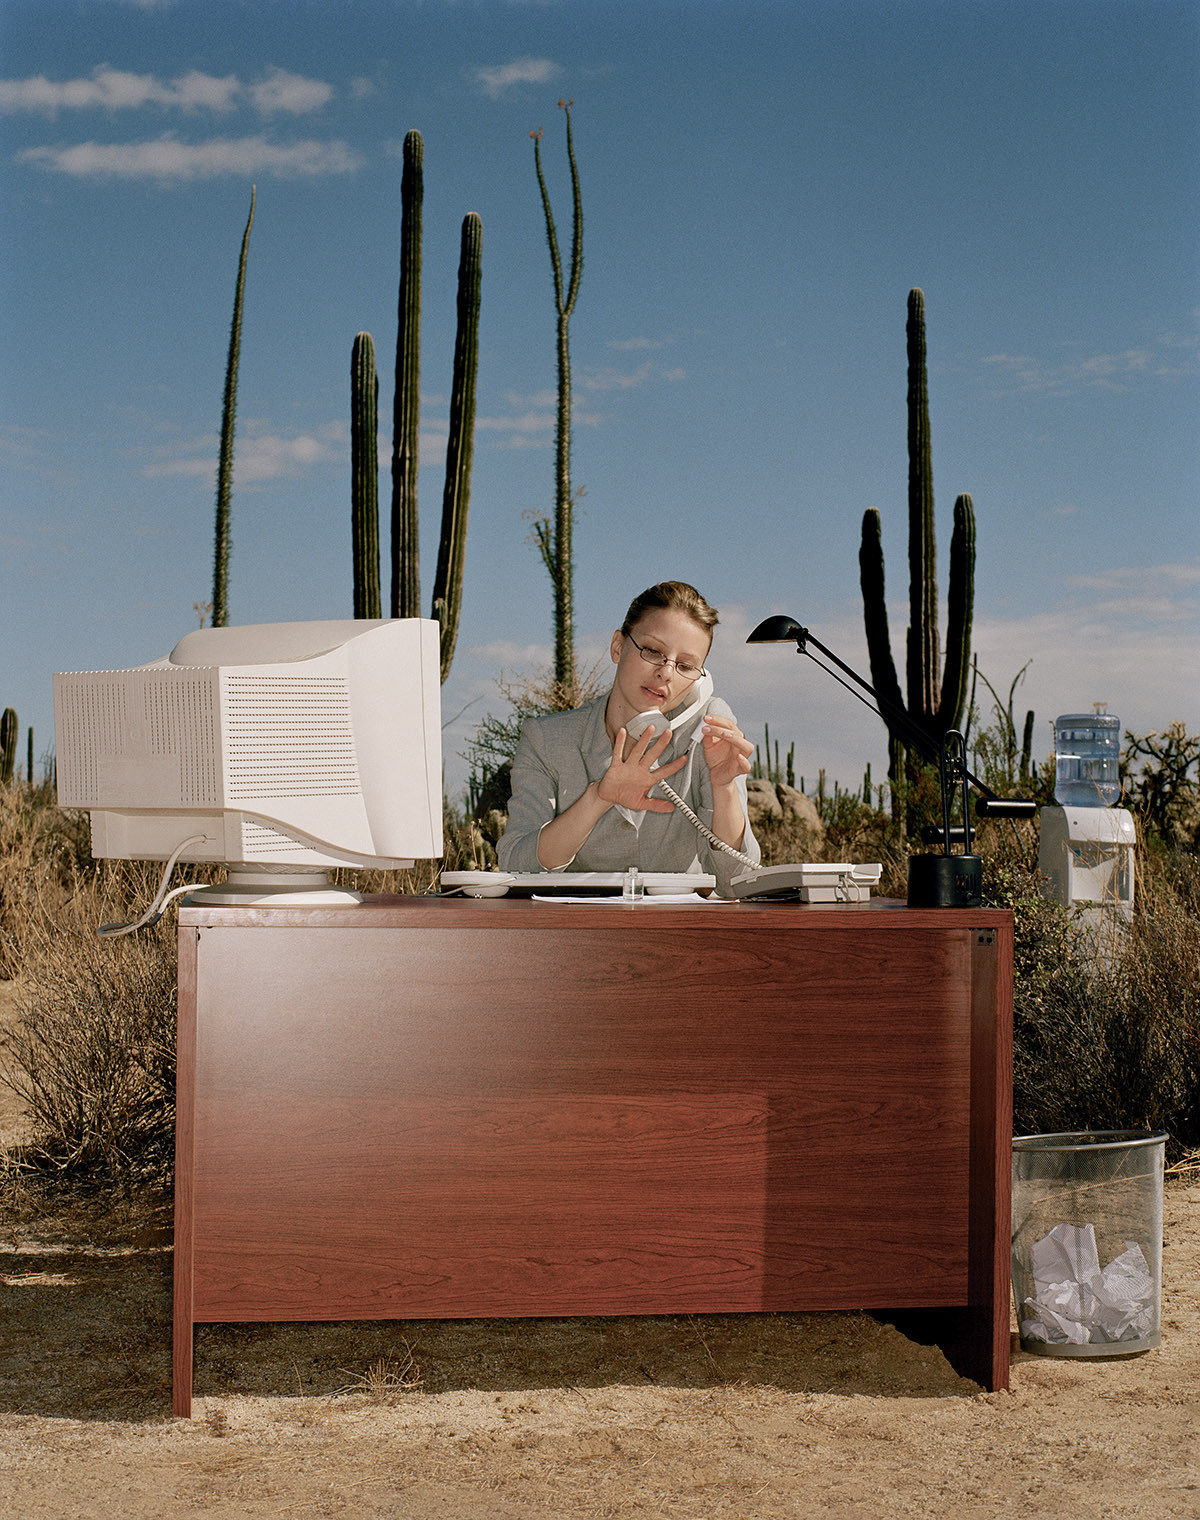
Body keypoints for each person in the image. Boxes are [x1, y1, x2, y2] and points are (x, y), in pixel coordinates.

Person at [497, 581, 760, 896]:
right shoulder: (546, 739)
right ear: (617, 647)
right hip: (575, 923)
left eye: (686, 666)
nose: (666, 673)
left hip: (680, 924)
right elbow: (515, 867)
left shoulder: (708, 730)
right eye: (653, 651)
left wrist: (724, 788)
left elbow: (735, 883)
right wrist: (597, 799)